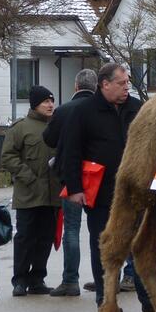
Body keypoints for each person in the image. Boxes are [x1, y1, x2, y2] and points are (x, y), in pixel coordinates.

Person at [60, 63, 150, 310]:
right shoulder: (84, 111)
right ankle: (105, 297)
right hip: (100, 193)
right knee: (103, 244)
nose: (126, 88)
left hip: (134, 190)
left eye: (127, 83)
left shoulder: (137, 108)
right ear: (105, 84)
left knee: (139, 243)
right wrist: (75, 188)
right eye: (121, 83)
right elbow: (70, 151)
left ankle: (147, 297)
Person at [41, 69, 97, 297]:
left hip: (71, 178)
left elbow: (49, 138)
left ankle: (70, 280)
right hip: (98, 177)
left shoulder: (63, 111)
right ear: (97, 87)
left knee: (72, 229)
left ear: (76, 87)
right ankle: (105, 276)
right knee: (101, 229)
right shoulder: (102, 110)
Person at [1, 86, 61, 296]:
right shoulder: (21, 128)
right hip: (28, 194)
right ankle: (19, 280)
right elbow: (8, 156)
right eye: (46, 101)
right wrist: (27, 176)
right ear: (35, 104)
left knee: (45, 238)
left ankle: (37, 279)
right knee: (25, 237)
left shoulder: (56, 126)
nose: (50, 105)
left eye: (52, 101)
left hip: (52, 195)